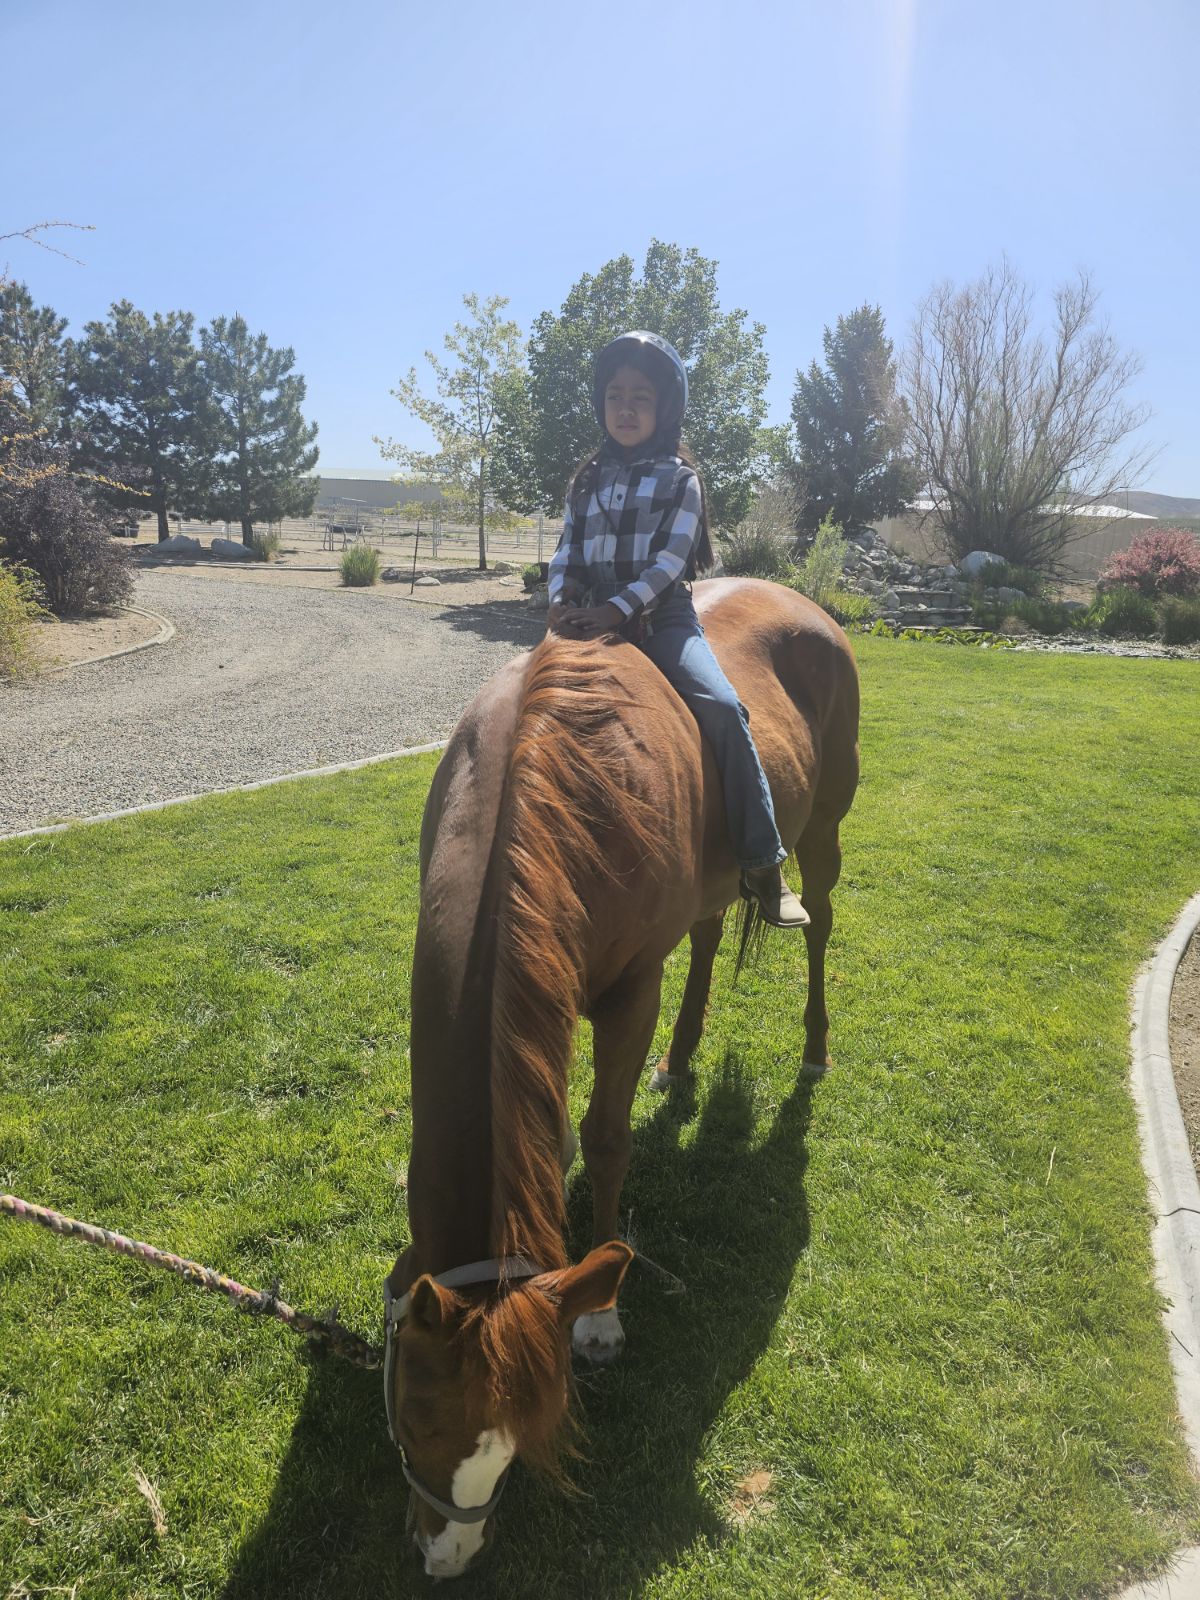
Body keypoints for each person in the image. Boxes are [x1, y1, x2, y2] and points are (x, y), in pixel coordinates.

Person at [547, 330, 807, 929]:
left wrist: (619, 609)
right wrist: (560, 599)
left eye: (641, 396)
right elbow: (566, 550)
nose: (627, 407)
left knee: (720, 706)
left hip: (658, 618)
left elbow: (671, 563)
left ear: (666, 407)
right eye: (615, 395)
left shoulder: (679, 478)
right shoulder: (585, 480)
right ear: (600, 404)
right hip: (588, 619)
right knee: (514, 708)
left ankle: (764, 863)